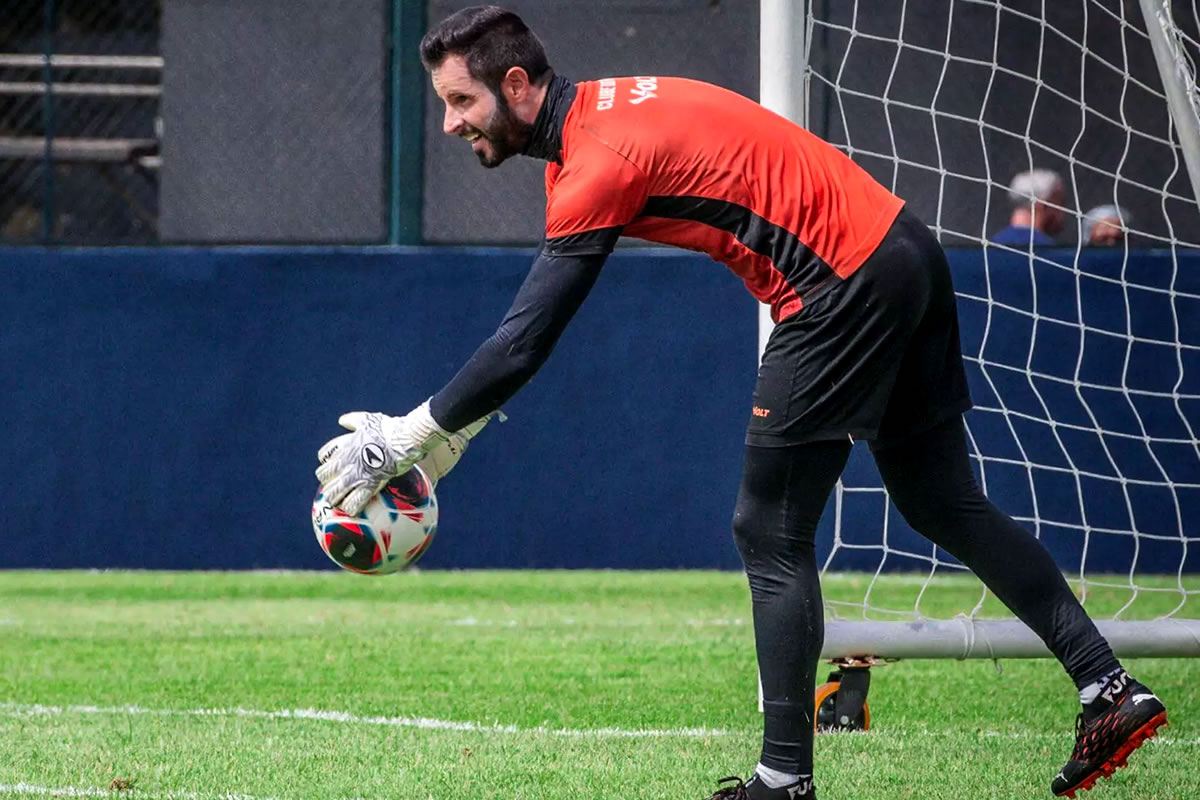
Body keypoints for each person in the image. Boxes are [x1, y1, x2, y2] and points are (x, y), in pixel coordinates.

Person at [313, 7, 1168, 798]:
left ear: (516, 85)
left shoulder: (595, 163)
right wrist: (452, 434)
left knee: (769, 530)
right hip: (904, 249)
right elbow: (524, 343)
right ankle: (1108, 687)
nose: (451, 123)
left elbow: (523, 342)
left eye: (461, 101)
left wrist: (407, 434)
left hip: (838, 288)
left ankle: (782, 780)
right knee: (941, 501)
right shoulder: (604, 110)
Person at [991, 168, 1067, 247]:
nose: (1063, 213)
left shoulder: (991, 246)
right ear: (1043, 204)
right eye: (1060, 204)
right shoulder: (1049, 250)